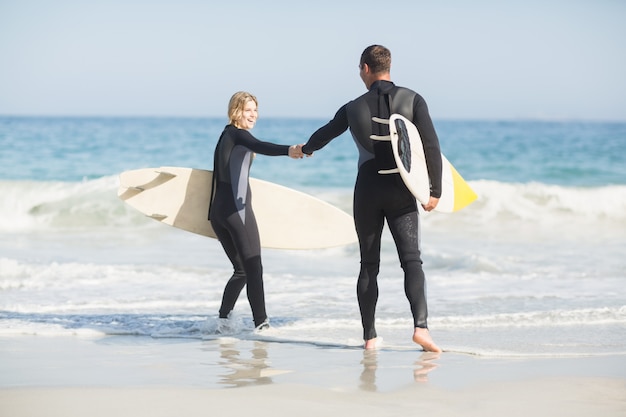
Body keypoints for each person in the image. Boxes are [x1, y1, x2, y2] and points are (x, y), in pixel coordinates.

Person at [300, 45, 443, 352]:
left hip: (367, 190)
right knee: (411, 261)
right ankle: (421, 328)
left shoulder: (353, 107)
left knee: (369, 265)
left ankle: (370, 336)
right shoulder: (413, 99)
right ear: (388, 66)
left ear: (365, 68)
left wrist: (305, 149)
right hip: (402, 190)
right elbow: (430, 146)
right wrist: (434, 191)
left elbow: (324, 135)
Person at [209, 91, 303, 331]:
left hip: (218, 213)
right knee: (254, 267)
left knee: (241, 270)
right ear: (235, 111)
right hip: (236, 211)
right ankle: (262, 324)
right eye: (247, 110)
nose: (253, 115)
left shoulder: (225, 135)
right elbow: (260, 145)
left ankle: (222, 322)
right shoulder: (239, 135)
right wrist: (289, 150)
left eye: (255, 110)